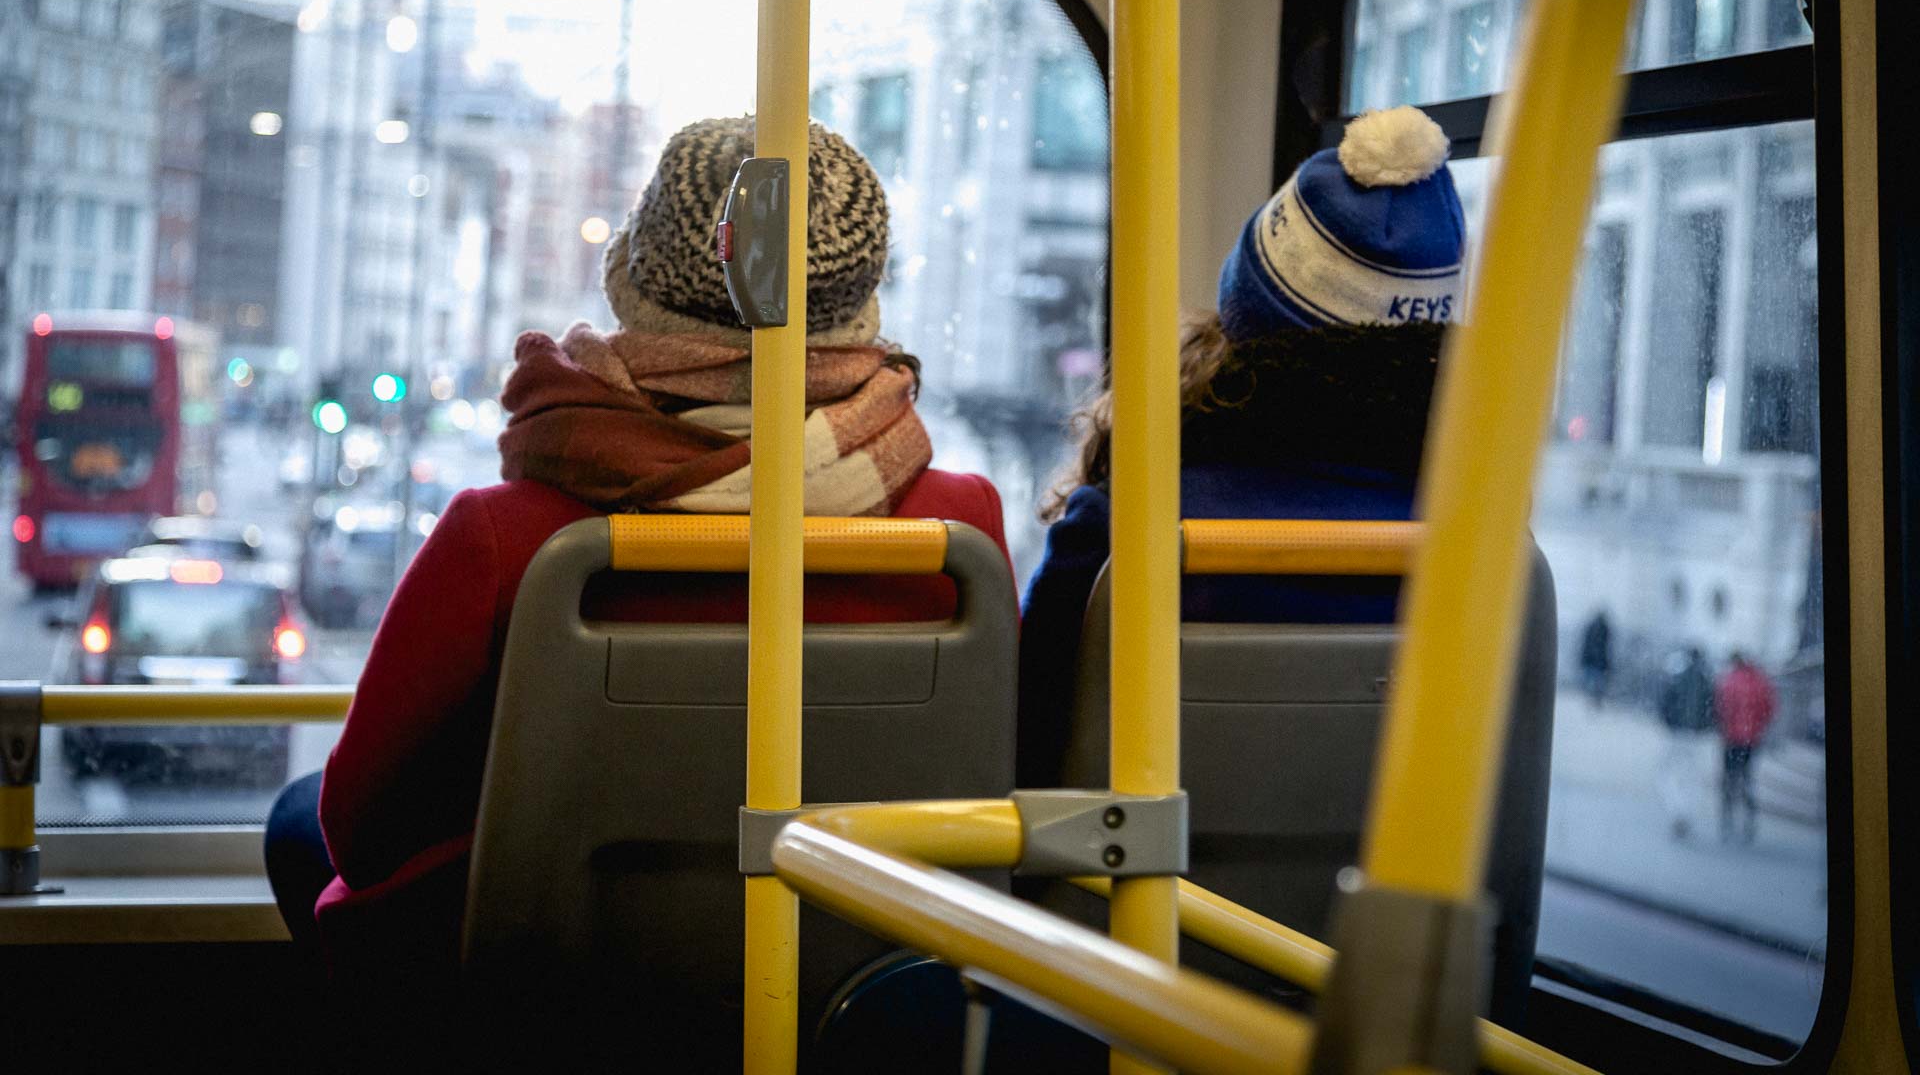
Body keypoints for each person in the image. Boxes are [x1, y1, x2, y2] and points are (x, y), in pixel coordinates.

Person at [263, 116, 1011, 1002]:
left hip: (559, 986)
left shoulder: (503, 536)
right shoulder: (957, 524)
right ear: (860, 309)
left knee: (294, 821)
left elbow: (361, 826)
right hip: (864, 972)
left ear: (632, 282)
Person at [1018, 104, 1465, 790]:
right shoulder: (1478, 553)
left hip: (1132, 894)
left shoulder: (1128, 528)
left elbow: (1025, 747)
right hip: (1395, 898)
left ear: (1245, 316)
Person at [1714, 650, 1778, 843]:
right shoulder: (1761, 682)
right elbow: (1770, 708)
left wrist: (1724, 726)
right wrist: (1757, 728)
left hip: (1731, 738)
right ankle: (1749, 821)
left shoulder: (1729, 680)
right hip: (1751, 740)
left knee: (1728, 778)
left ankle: (1727, 821)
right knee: (1747, 778)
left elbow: (1721, 707)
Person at [1655, 645, 1716, 839]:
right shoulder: (1706, 681)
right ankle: (1685, 813)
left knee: (1667, 773)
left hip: (1677, 733)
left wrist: (1670, 722)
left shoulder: (1679, 676)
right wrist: (1702, 727)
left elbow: (1666, 701)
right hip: (1694, 736)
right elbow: (1712, 709)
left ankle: (1677, 811)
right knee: (1691, 776)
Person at [1578, 607, 1613, 710]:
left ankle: (1594, 700)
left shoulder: (1595, 628)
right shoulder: (1603, 629)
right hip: (1597, 661)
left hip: (1594, 661)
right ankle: (1595, 700)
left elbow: (1588, 644)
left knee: (1595, 681)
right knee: (1596, 682)